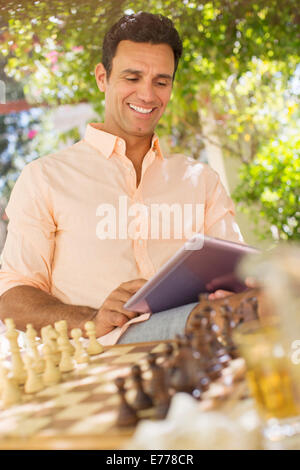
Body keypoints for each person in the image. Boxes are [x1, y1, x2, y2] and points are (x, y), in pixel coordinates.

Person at [0, 12, 244, 344]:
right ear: (103, 77)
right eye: (132, 78)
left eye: (161, 81)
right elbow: (12, 298)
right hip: (100, 362)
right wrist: (91, 317)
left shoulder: (201, 180)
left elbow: (240, 275)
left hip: (198, 350)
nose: (147, 95)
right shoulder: (45, 178)